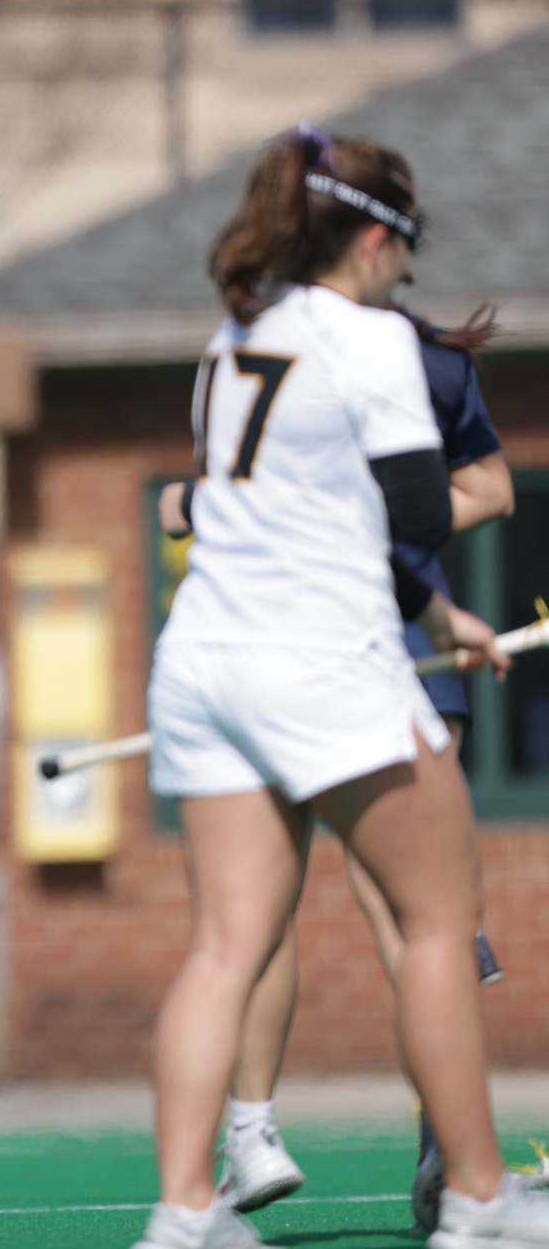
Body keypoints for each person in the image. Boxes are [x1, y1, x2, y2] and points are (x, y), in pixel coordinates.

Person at [132, 125, 541, 1249]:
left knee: (225, 943)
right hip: (317, 661)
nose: (401, 280)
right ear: (374, 238)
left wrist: (438, 615)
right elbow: (411, 514)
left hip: (203, 660)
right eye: (400, 256)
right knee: (432, 924)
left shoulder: (232, 339)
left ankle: (184, 1214)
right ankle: (474, 1195)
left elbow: (288, 511)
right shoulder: (369, 345)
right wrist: (424, 588)